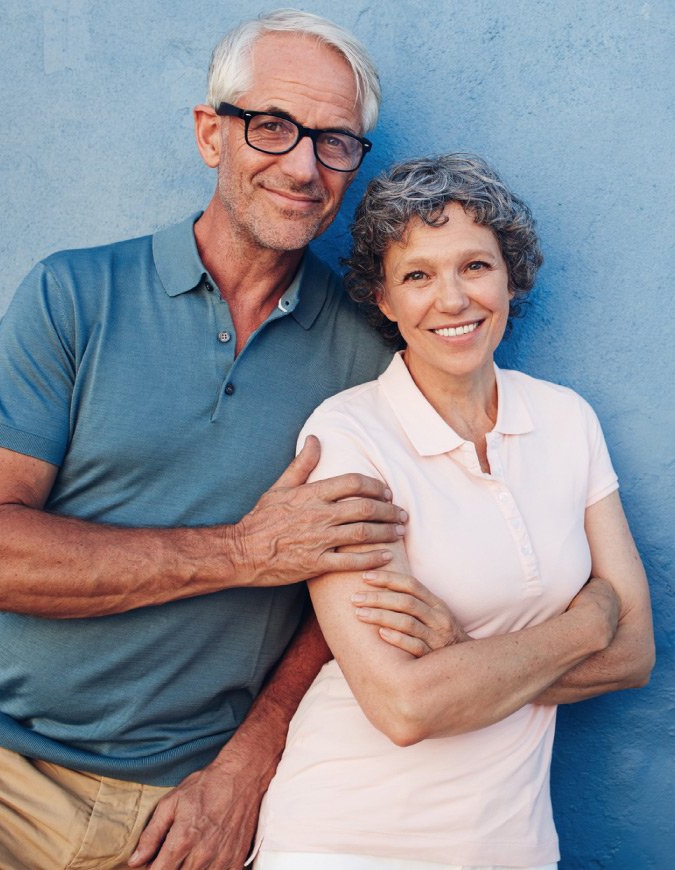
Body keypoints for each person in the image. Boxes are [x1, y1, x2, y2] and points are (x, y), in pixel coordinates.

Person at [0, 11, 426, 869]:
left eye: (335, 141)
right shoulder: (74, 295)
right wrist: (244, 552)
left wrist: (253, 759)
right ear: (209, 133)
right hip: (9, 783)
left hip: (204, 800)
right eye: (273, 126)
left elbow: (364, 575)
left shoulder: (372, 353)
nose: (303, 165)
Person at [252, 154, 655, 869]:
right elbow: (404, 708)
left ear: (509, 276)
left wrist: (462, 660)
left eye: (474, 266)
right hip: (342, 840)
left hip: (509, 846)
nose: (452, 300)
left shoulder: (566, 420)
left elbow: (633, 656)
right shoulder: (348, 436)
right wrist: (588, 621)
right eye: (417, 275)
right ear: (383, 299)